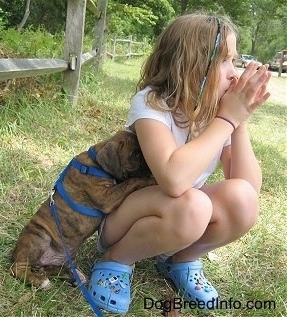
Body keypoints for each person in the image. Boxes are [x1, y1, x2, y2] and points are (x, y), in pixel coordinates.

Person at [87, 12, 271, 314]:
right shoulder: (152, 103)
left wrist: (240, 120)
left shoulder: (215, 114)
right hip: (125, 215)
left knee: (243, 200)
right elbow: (173, 178)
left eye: (235, 61)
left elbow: (247, 186)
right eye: (225, 61)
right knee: (193, 204)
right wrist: (227, 119)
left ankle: (180, 259)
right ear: (191, 64)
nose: (234, 74)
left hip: (182, 217)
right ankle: (116, 259)